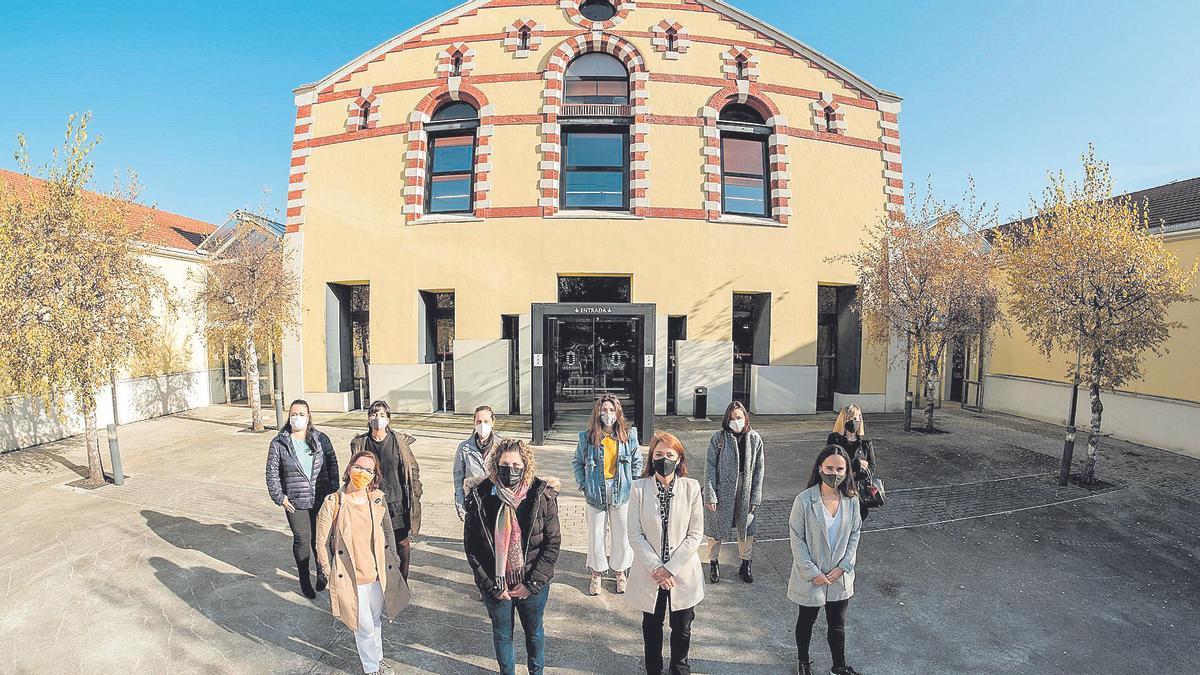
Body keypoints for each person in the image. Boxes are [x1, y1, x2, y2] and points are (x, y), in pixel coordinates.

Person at [463, 439, 561, 675]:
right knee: (502, 633)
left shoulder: (541, 495)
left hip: (532, 584)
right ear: (496, 465)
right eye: (505, 464)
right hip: (497, 585)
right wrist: (491, 585)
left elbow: (552, 543)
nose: (511, 469)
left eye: (516, 464)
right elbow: (472, 547)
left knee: (534, 632)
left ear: (526, 465)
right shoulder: (480, 496)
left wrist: (532, 584)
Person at [316, 450, 411, 675]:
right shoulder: (333, 502)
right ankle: (371, 669)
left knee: (376, 622)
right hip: (350, 579)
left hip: (377, 575)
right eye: (359, 467)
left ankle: (378, 662)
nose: (362, 473)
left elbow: (387, 530)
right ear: (349, 469)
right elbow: (320, 543)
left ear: (374, 476)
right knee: (364, 627)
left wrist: (394, 558)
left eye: (369, 470)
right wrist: (328, 572)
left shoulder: (376, 498)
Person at [628, 432, 705, 675]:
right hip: (651, 573)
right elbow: (635, 534)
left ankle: (679, 668)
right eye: (658, 454)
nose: (664, 459)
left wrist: (670, 568)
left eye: (669, 454)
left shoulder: (691, 488)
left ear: (679, 458)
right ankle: (654, 669)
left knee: (682, 627)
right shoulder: (639, 489)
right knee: (651, 626)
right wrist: (657, 568)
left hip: (681, 571)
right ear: (651, 458)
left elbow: (695, 534)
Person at [788, 445, 864, 675]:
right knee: (806, 621)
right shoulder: (804, 500)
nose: (835, 474)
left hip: (839, 575)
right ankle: (803, 662)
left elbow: (855, 534)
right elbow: (796, 539)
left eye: (840, 469)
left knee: (837, 624)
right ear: (820, 467)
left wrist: (844, 567)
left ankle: (838, 666)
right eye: (829, 468)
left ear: (847, 471)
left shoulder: (851, 500)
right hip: (811, 575)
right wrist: (813, 572)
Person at [265, 399, 340, 599]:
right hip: (295, 502)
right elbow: (272, 473)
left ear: (309, 417)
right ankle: (304, 579)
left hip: (321, 498)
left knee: (320, 539)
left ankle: (323, 573)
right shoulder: (279, 443)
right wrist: (279, 497)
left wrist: (334, 491)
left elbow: (332, 464)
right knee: (302, 539)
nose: (297, 418)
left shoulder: (321, 439)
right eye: (293, 414)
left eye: (301, 414)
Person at [572, 394, 643, 596]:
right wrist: (583, 484)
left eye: (612, 410)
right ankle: (596, 574)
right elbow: (577, 462)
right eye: (604, 410)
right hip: (596, 491)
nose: (608, 414)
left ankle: (620, 573)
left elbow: (637, 461)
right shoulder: (587, 437)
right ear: (598, 412)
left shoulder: (629, 435)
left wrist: (634, 483)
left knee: (622, 534)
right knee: (596, 535)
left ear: (618, 412)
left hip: (622, 491)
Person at [350, 400, 423, 580]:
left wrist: (417, 492)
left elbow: (412, 467)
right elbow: (353, 471)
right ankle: (378, 578)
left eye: (382, 415)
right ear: (368, 418)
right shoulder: (361, 443)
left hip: (396, 501)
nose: (378, 419)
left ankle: (401, 580)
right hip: (370, 501)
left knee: (402, 543)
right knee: (374, 541)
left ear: (388, 419)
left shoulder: (398, 441)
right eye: (374, 415)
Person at [702, 401, 765, 584]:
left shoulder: (754, 439)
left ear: (745, 417)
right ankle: (713, 562)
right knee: (716, 529)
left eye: (739, 417)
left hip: (745, 489)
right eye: (732, 418)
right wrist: (711, 494)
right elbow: (710, 467)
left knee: (746, 527)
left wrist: (755, 495)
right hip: (722, 490)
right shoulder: (719, 438)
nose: (735, 421)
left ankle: (746, 563)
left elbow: (759, 469)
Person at [826, 405, 880, 520]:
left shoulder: (866, 442)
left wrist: (858, 470)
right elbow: (831, 464)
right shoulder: (834, 439)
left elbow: (872, 467)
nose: (853, 422)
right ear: (842, 420)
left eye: (856, 418)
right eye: (849, 419)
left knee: (857, 524)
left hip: (860, 492)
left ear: (860, 420)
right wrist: (857, 464)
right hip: (840, 490)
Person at [455, 405, 501, 520]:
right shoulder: (464, 448)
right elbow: (458, 480)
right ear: (474, 423)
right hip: (473, 502)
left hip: (496, 502)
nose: (482, 425)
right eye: (479, 421)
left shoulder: (502, 446)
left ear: (493, 422)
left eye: (486, 421)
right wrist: (461, 506)